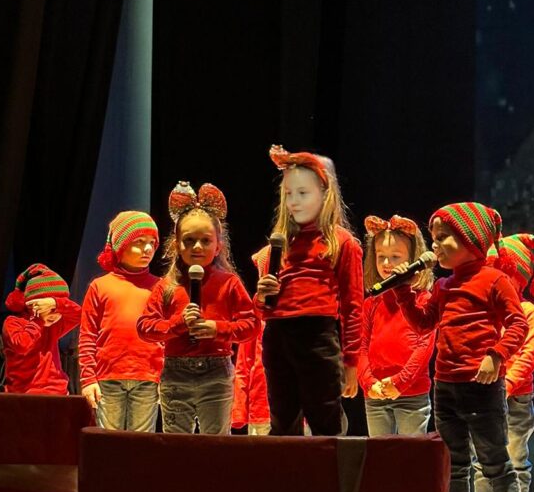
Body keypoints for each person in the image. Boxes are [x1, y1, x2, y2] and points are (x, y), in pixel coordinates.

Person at [392, 201, 528, 492]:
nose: (434, 245)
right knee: (452, 460)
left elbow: (518, 324)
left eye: (443, 237)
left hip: (480, 386)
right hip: (446, 385)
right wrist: (404, 291)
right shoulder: (444, 286)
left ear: (472, 239)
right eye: (433, 237)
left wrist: (496, 355)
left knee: (494, 457)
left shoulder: (495, 279)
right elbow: (424, 322)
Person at [255, 144, 363, 436]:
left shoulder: (342, 243)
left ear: (324, 194)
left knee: (324, 416)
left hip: (317, 336)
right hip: (277, 336)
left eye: (303, 193)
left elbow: (354, 307)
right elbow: (262, 308)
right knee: (282, 418)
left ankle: (328, 480)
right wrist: (262, 297)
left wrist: (351, 362)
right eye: (288, 194)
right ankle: (289, 479)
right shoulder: (279, 246)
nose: (294, 202)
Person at [137, 181, 255, 434]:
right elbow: (145, 327)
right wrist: (177, 324)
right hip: (175, 373)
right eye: (189, 241)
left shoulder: (229, 283)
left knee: (215, 446)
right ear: (176, 244)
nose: (197, 247)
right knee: (177, 447)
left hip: (217, 371)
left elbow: (251, 326)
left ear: (218, 245)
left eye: (205, 240)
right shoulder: (167, 285)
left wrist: (218, 329)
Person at [469, 233, 534, 492]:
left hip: (514, 399)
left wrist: (503, 386)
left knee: (515, 459)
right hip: (482, 396)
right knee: (482, 461)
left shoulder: (528, 312)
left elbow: (527, 355)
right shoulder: (481, 310)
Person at [78, 210, 164, 430]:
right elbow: (87, 336)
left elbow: (168, 336)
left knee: (142, 447)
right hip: (108, 378)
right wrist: (88, 379)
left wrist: (166, 377)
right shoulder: (100, 286)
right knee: (108, 445)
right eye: (139, 242)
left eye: (152, 242)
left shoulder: (161, 287)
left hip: (149, 377)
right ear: (120, 246)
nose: (147, 249)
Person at [359, 214, 435, 435]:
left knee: (410, 458)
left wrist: (399, 382)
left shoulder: (424, 300)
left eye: (395, 256)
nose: (386, 263)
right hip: (375, 395)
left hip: (412, 396)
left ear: (413, 258)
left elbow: (424, 348)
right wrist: (368, 381)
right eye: (380, 256)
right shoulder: (371, 303)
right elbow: (362, 348)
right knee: (380, 458)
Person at [3, 264, 81, 394]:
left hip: (56, 392)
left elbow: (79, 314)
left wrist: (56, 303)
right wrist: (37, 320)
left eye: (58, 311)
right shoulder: (13, 322)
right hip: (23, 395)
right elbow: (23, 345)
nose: (56, 314)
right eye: (49, 309)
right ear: (32, 305)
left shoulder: (53, 326)